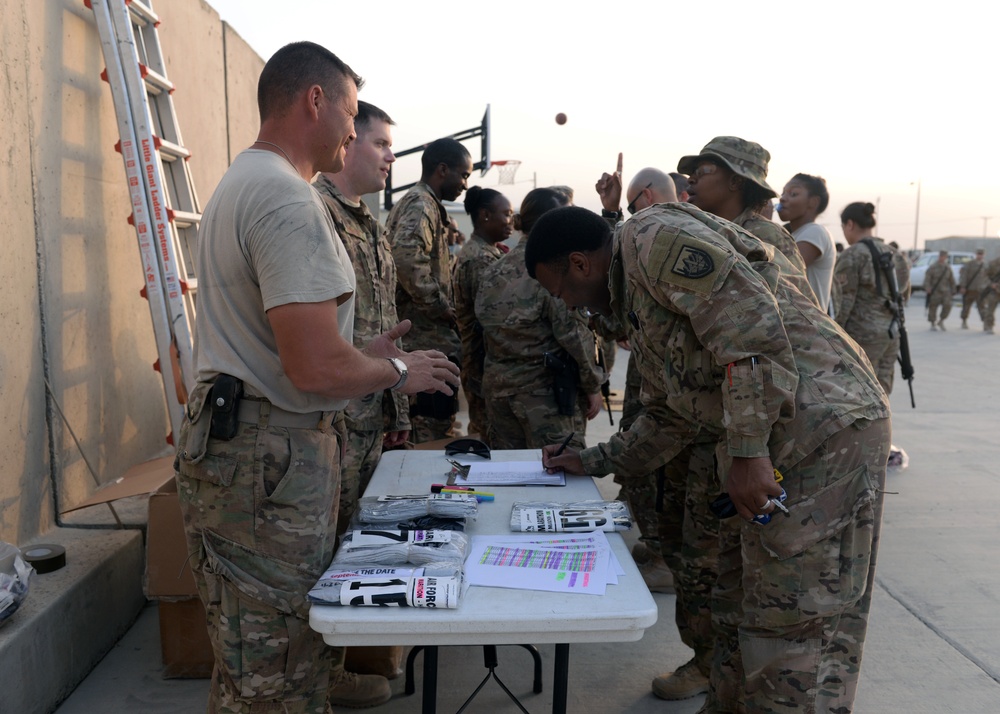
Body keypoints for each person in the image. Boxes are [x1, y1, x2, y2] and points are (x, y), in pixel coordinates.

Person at [174, 42, 460, 714]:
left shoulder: (246, 181)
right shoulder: (287, 199)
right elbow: (314, 366)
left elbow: (286, 341)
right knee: (279, 667)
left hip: (245, 447)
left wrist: (361, 350)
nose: (354, 133)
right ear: (314, 102)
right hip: (270, 457)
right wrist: (396, 371)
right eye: (353, 114)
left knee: (252, 654)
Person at [527, 204, 890, 714]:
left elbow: (751, 331)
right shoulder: (638, 298)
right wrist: (591, 461)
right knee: (736, 605)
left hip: (820, 431)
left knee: (792, 621)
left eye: (559, 288)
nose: (565, 304)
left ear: (580, 264)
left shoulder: (652, 240)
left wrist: (747, 453)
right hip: (775, 436)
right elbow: (671, 415)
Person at [311, 99, 410, 706]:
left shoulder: (370, 222)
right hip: (328, 418)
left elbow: (387, 330)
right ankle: (319, 679)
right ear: (348, 145)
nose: (390, 158)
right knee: (322, 549)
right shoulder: (313, 214)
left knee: (353, 541)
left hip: (367, 415)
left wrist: (394, 414)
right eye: (380, 145)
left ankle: (335, 669)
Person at [475, 188, 604, 450]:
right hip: (544, 397)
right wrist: (593, 384)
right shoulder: (553, 270)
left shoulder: (493, 270)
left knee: (509, 476)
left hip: (499, 394)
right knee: (559, 472)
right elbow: (574, 336)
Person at [385, 137, 472, 442]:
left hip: (425, 336)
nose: (464, 184)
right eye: (463, 175)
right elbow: (407, 257)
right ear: (442, 170)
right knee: (429, 437)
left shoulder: (425, 204)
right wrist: (440, 305)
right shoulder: (422, 203)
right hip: (422, 335)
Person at [678, 137, 815, 301]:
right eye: (692, 172)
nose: (691, 179)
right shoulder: (694, 231)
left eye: (703, 170)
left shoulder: (766, 237)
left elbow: (801, 312)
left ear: (735, 182)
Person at [452, 186, 513, 439]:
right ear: (485, 215)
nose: (510, 221)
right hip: (482, 364)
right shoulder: (480, 260)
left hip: (482, 363)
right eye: (506, 214)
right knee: (487, 435)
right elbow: (494, 320)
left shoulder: (486, 252)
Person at [835, 201, 911, 394]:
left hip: (861, 338)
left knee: (859, 394)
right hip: (891, 333)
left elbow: (843, 303)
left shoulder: (852, 255)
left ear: (849, 224)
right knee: (882, 391)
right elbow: (904, 296)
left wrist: (833, 337)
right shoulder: (895, 255)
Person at [777, 173, 837, 314]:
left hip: (809, 326)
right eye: (783, 193)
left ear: (813, 202)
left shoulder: (815, 232)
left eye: (793, 194)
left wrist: (762, 221)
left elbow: (784, 270)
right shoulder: (793, 234)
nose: (783, 198)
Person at [924, 250, 956, 331]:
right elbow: (927, 278)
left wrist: (953, 289)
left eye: (944, 256)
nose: (942, 258)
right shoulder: (933, 267)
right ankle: (932, 322)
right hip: (935, 291)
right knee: (933, 307)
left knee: (948, 305)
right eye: (941, 256)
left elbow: (951, 279)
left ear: (946, 257)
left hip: (945, 291)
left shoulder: (947, 267)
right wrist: (927, 287)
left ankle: (941, 320)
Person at [958, 248, 990, 330]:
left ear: (984, 255)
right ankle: (964, 321)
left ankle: (985, 324)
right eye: (979, 254)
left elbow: (988, 278)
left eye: (981, 254)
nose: (980, 256)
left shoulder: (986, 265)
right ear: (976, 254)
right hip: (970, 290)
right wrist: (963, 286)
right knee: (966, 307)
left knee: (982, 308)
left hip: (981, 290)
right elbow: (964, 275)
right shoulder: (969, 264)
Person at [981, 255, 1000, 334]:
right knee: (990, 310)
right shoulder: (993, 263)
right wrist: (991, 284)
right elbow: (984, 275)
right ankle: (989, 325)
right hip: (994, 290)